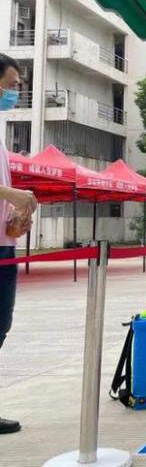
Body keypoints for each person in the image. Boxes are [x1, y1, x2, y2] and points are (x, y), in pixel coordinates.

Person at [0, 53, 38, 434]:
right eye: (11, 85)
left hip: (4, 247)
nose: (14, 93)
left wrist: (14, 220)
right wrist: (11, 193)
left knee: (1, 325)